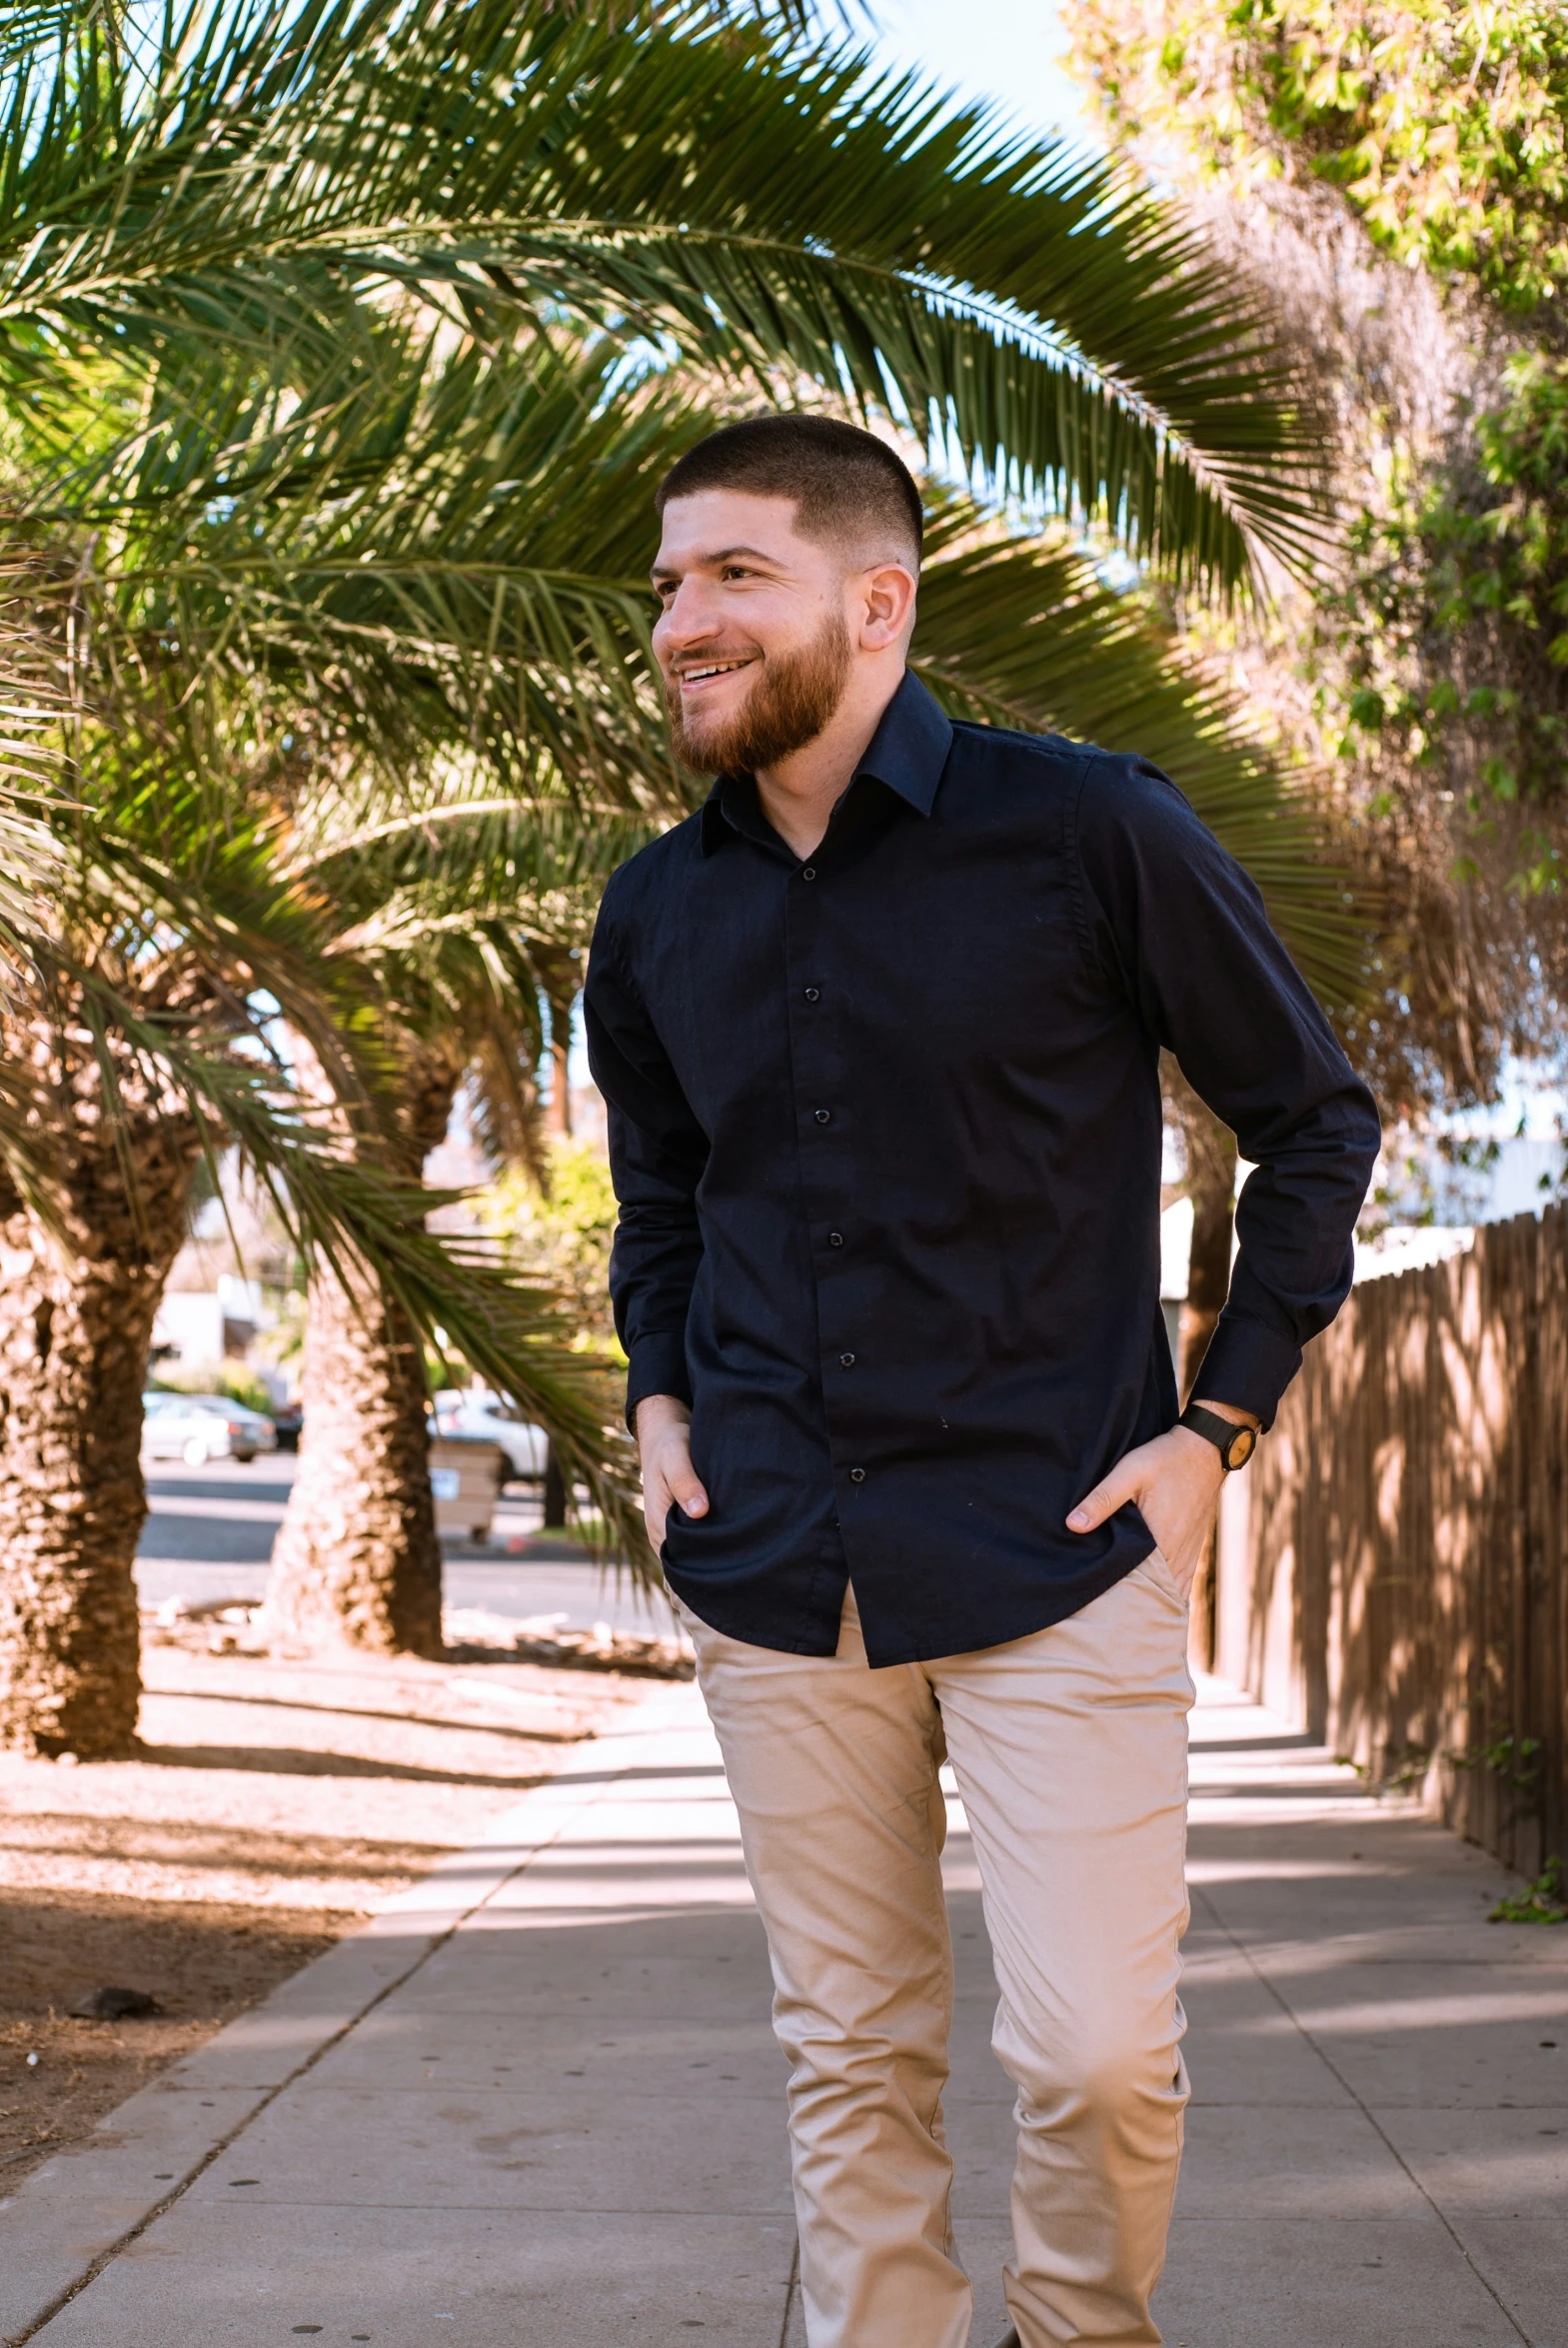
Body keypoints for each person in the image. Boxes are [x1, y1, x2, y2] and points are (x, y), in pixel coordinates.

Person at [584, 414, 1380, 2348]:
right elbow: (663, 1202)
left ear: (877, 602)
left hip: (1061, 1546)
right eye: (672, 582)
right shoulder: (654, 910)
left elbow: (1315, 1124)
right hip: (777, 1564)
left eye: (733, 576)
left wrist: (1216, 1430)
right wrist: (658, 1408)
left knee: (1098, 2056)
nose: (682, 620)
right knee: (849, 2063)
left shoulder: (1089, 832)